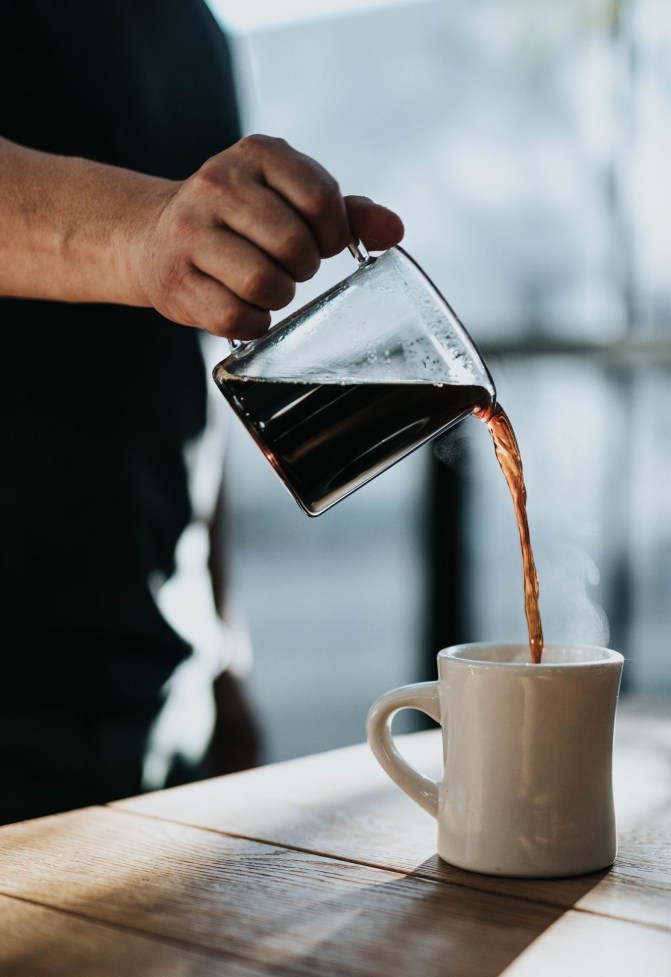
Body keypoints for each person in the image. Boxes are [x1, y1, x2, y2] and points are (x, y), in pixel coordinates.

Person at [0, 0, 404, 824]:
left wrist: (225, 649)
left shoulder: (196, 31)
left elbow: (196, 354)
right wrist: (140, 231)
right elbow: (166, 246)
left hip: (164, 676)